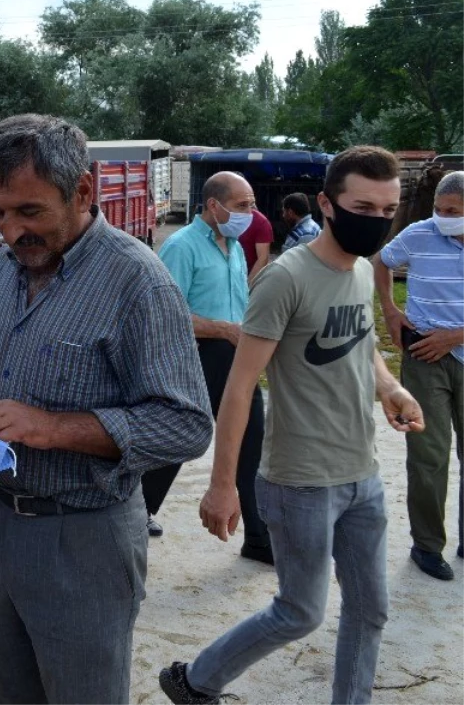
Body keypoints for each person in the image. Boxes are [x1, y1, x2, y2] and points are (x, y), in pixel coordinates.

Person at [0, 114, 213, 705]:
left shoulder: (138, 283)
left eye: (28, 212)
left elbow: (186, 423)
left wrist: (54, 428)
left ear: (81, 192)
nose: (9, 231)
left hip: (86, 537)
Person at [161, 145, 425, 705]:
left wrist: (392, 387)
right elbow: (239, 386)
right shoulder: (285, 279)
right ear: (328, 204)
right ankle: (195, 681)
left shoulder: (357, 273)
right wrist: (222, 484)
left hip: (363, 475)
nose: (376, 220)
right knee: (300, 612)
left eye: (387, 210)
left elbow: (361, 348)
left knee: (370, 609)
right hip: (300, 481)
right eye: (363, 206)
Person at [147, 172, 272, 562]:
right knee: (179, 440)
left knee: (250, 442)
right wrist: (220, 328)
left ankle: (258, 537)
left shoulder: (233, 244)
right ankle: (136, 512)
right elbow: (163, 313)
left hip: (235, 356)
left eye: (251, 205)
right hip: (198, 355)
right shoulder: (183, 247)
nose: (250, 214)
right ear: (214, 205)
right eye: (241, 206)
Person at [376, 170, 464, 581]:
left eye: (453, 212)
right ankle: (427, 546)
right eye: (439, 209)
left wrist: (455, 336)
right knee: (428, 455)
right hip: (424, 358)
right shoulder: (420, 233)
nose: (443, 217)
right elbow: (381, 261)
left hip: (454, 346)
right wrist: (391, 311)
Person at [237, 204, 274, 282]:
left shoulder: (260, 222)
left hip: (247, 276)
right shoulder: (219, 217)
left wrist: (247, 286)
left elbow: (263, 259)